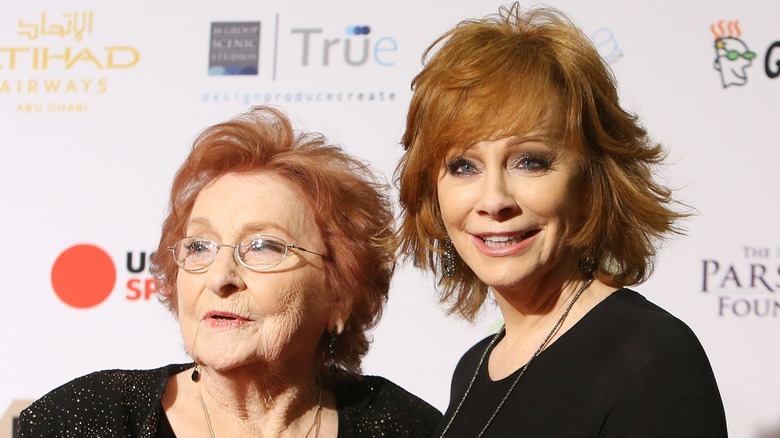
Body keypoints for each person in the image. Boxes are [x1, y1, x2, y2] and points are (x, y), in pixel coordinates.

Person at [396, 3, 728, 437]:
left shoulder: (649, 358)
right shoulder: (476, 368)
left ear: (591, 181)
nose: (494, 200)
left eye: (530, 161)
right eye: (463, 166)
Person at [19, 106, 441, 437]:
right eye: (200, 246)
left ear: (340, 294)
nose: (221, 276)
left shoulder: (406, 427)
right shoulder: (88, 421)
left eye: (262, 246)